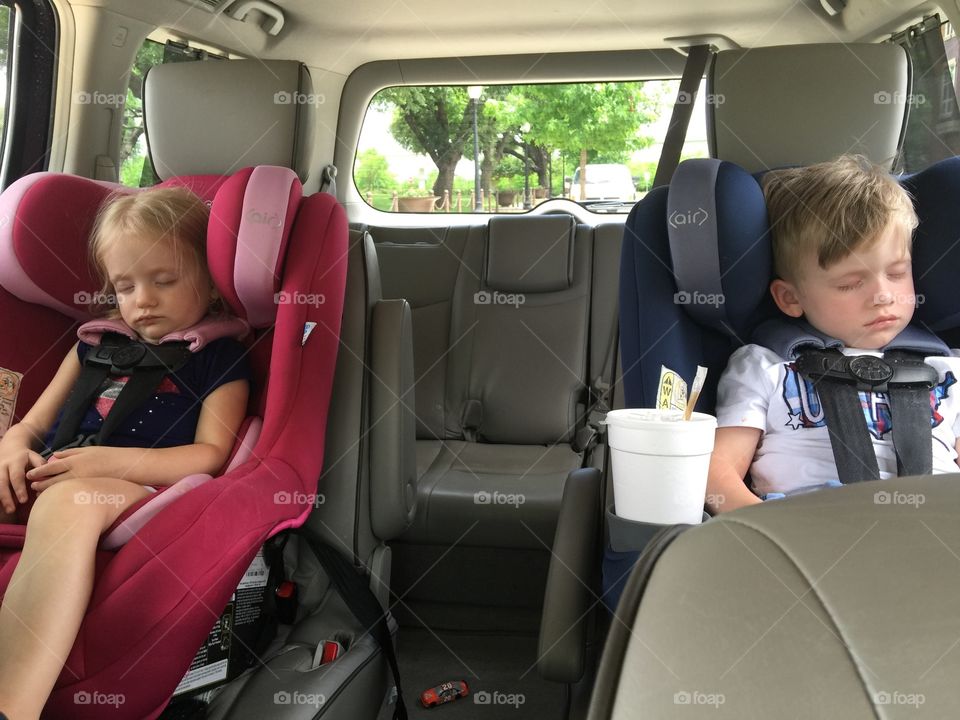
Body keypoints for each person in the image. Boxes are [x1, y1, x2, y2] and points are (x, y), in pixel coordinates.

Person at [0, 186, 251, 719]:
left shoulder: (219, 359)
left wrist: (108, 464)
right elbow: (32, 424)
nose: (144, 300)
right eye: (125, 286)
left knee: (70, 503)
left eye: (165, 281)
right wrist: (13, 449)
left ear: (210, 283)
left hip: (143, 491)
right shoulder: (93, 345)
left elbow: (210, 454)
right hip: (59, 471)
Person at [707, 155, 960, 514]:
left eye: (897, 272)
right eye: (850, 283)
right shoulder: (766, 366)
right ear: (791, 298)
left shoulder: (948, 371)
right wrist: (768, 534)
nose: (883, 295)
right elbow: (717, 474)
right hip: (808, 531)